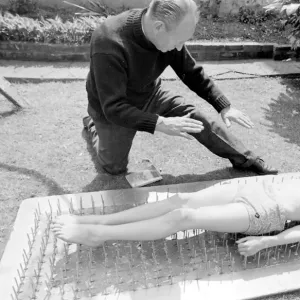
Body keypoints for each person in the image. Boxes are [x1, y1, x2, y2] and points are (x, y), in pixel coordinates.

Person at [83, 0, 278, 176]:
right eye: (178, 41)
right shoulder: (108, 41)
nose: (179, 48)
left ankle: (247, 159)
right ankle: (93, 125)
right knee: (114, 168)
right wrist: (160, 123)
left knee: (197, 119)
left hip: (149, 93)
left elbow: (190, 72)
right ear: (158, 27)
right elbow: (113, 107)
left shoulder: (168, 33)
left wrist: (224, 105)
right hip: (113, 108)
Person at [51, 178, 300, 257]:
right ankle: (102, 221)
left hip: (270, 211)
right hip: (256, 188)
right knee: (178, 200)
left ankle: (99, 235)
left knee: (183, 216)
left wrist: (267, 242)